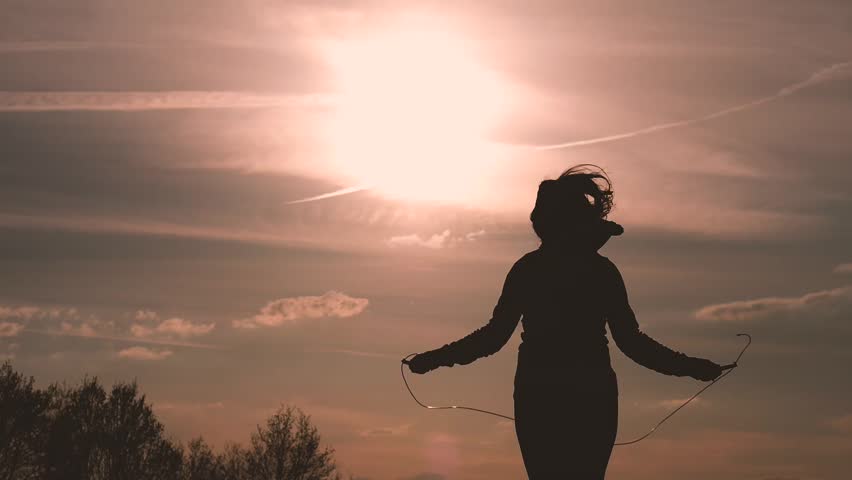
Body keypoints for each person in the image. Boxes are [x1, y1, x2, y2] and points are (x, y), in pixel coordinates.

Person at [406, 165, 723, 479]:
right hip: (591, 394)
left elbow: (493, 337)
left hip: (539, 393)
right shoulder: (601, 271)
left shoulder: (529, 269)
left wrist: (434, 359)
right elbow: (632, 342)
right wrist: (691, 367)